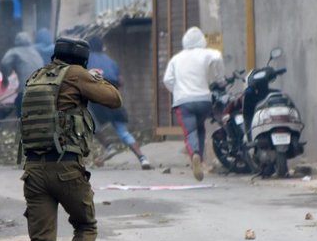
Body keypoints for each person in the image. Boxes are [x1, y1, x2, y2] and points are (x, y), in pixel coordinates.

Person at [19, 37, 122, 241]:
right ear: (83, 60)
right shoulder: (77, 74)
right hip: (66, 168)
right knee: (86, 224)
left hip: (34, 170)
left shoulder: (37, 76)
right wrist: (96, 81)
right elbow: (114, 100)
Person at [162, 26, 225, 181]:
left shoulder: (176, 59)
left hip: (184, 102)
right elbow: (217, 56)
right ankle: (200, 160)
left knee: (190, 132)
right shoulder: (206, 53)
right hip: (204, 100)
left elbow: (167, 80)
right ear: (202, 40)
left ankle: (195, 155)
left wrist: (176, 91)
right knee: (201, 129)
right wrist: (219, 79)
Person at [86, 36, 152, 170]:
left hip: (97, 100)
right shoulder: (111, 61)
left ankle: (109, 147)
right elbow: (120, 81)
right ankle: (143, 158)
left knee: (88, 123)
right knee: (123, 132)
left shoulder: (86, 60)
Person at [0, 31, 44, 117]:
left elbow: (4, 63)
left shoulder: (15, 52)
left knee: (21, 110)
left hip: (27, 92)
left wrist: (5, 79)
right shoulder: (35, 52)